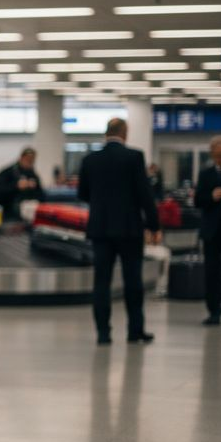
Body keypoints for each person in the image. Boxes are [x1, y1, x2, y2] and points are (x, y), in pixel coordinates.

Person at [77, 118, 161, 345]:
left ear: (106, 133)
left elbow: (82, 193)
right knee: (132, 280)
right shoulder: (134, 157)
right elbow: (144, 194)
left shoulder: (90, 160)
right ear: (125, 133)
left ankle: (103, 333)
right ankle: (135, 330)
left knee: (101, 282)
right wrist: (154, 225)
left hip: (100, 229)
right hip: (129, 228)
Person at [194, 135, 221, 325]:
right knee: (212, 271)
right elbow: (197, 200)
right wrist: (211, 196)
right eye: (217, 156)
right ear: (212, 155)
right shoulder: (206, 174)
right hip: (212, 230)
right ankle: (214, 311)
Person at [0, 147, 45, 220]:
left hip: (29, 215)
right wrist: (16, 186)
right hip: (8, 215)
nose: (30, 163)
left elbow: (41, 196)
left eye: (32, 161)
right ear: (21, 158)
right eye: (28, 160)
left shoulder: (33, 176)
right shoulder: (6, 173)